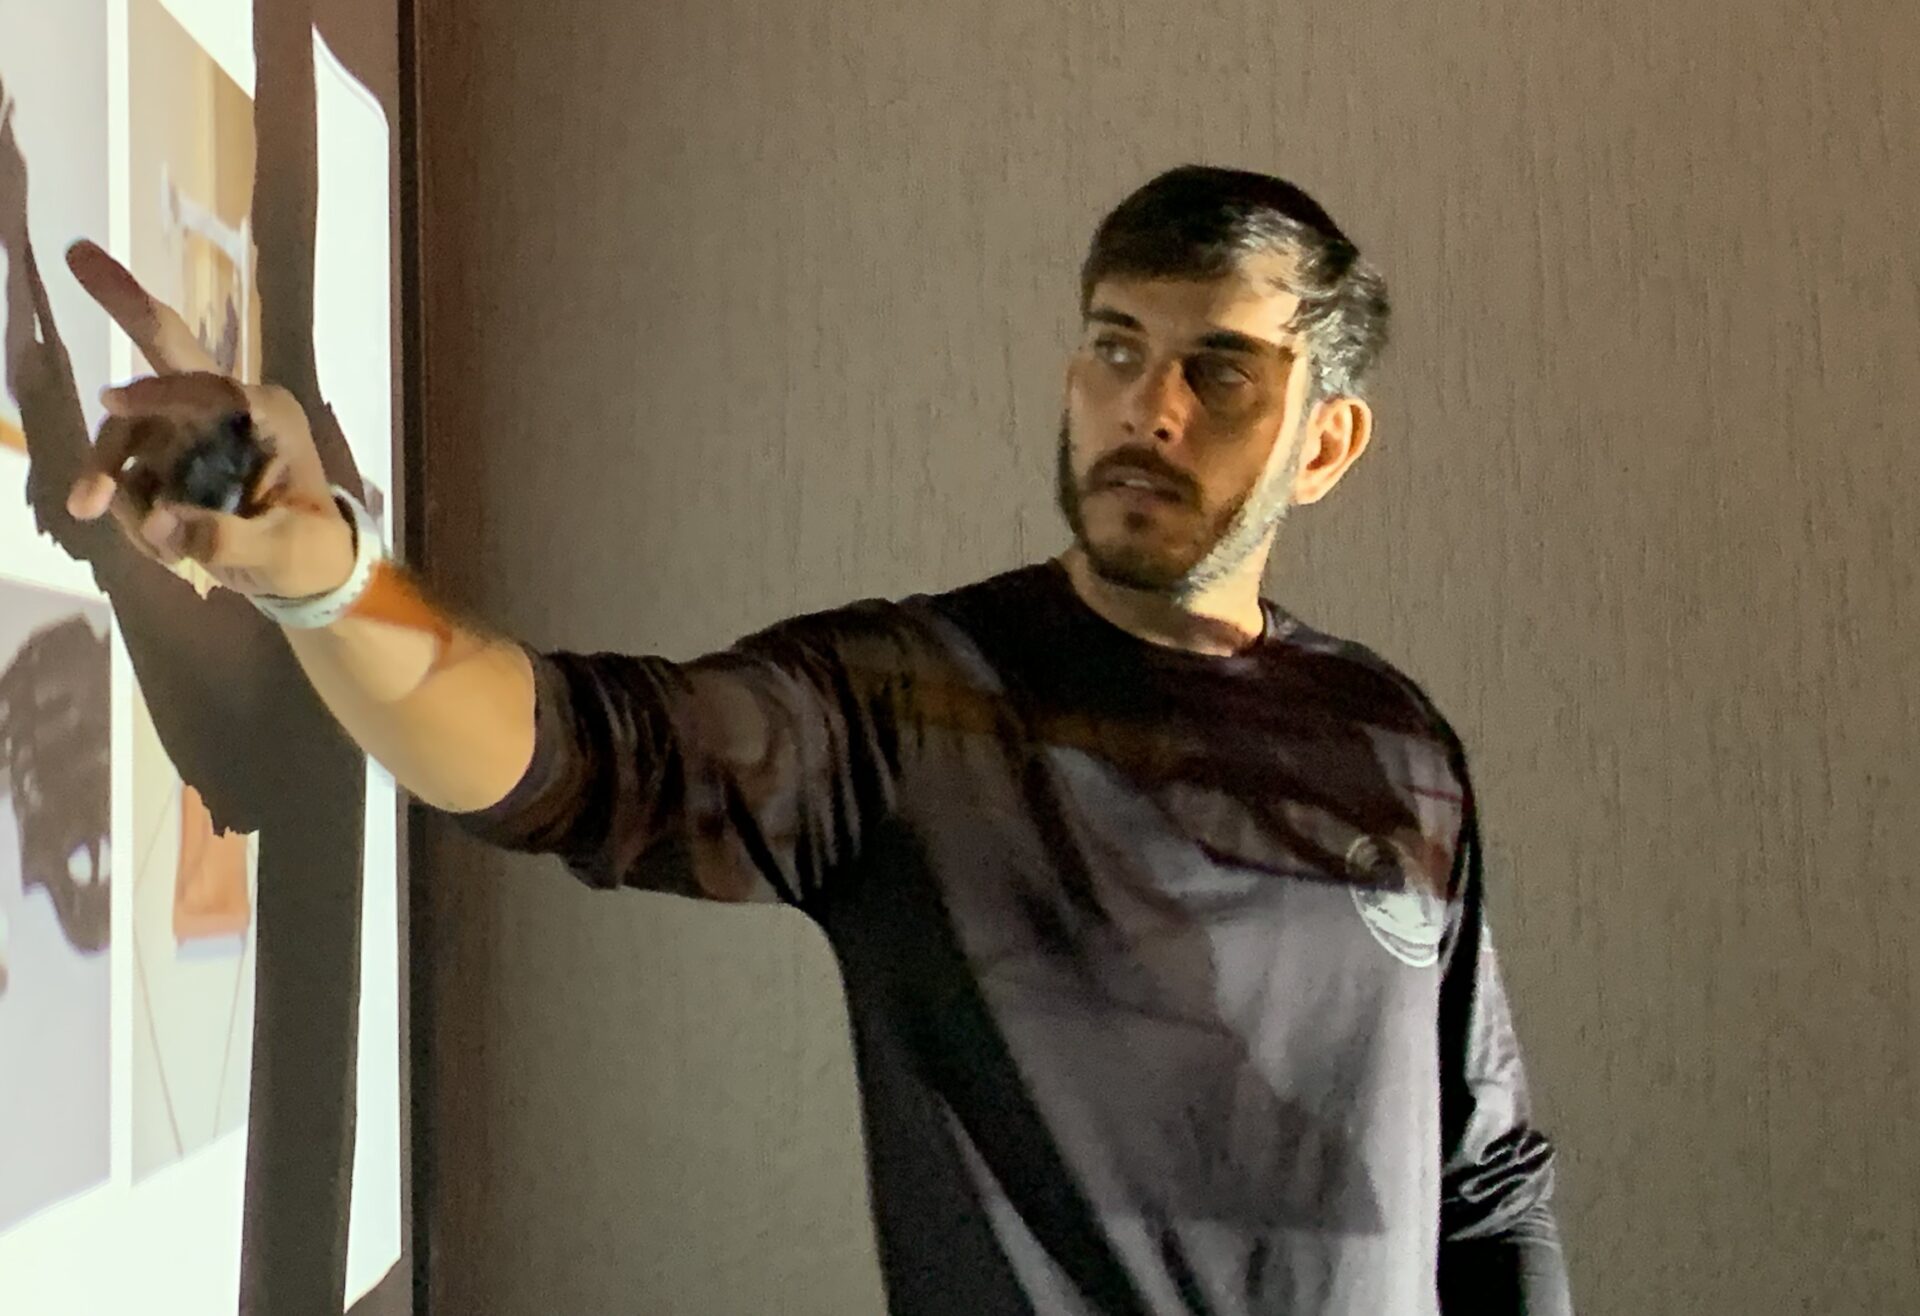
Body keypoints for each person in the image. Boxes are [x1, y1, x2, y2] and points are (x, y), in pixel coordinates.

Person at [63, 164, 1572, 1315]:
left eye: (1219, 370)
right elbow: (567, 755)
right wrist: (325, 576)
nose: (1149, 408)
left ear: (1325, 442)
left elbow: (1489, 1183)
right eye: (1117, 347)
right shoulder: (913, 704)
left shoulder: (1397, 742)